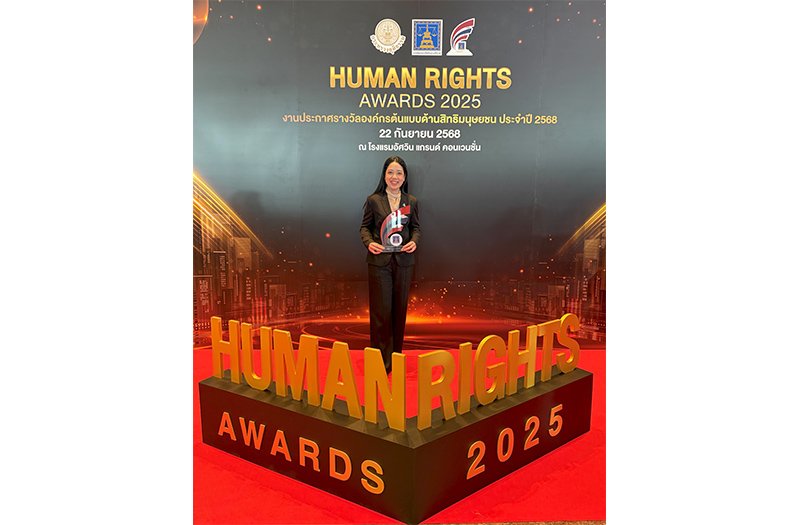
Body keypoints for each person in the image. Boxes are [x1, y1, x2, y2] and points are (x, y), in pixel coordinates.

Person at [360, 156, 421, 373]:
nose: (394, 177)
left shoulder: (411, 201)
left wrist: (414, 241)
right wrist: (369, 243)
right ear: (384, 175)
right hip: (379, 263)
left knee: (399, 312)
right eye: (390, 172)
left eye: (399, 173)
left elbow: (416, 228)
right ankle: (379, 362)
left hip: (404, 262)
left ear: (404, 177)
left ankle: (395, 359)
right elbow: (364, 227)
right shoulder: (374, 200)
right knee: (381, 313)